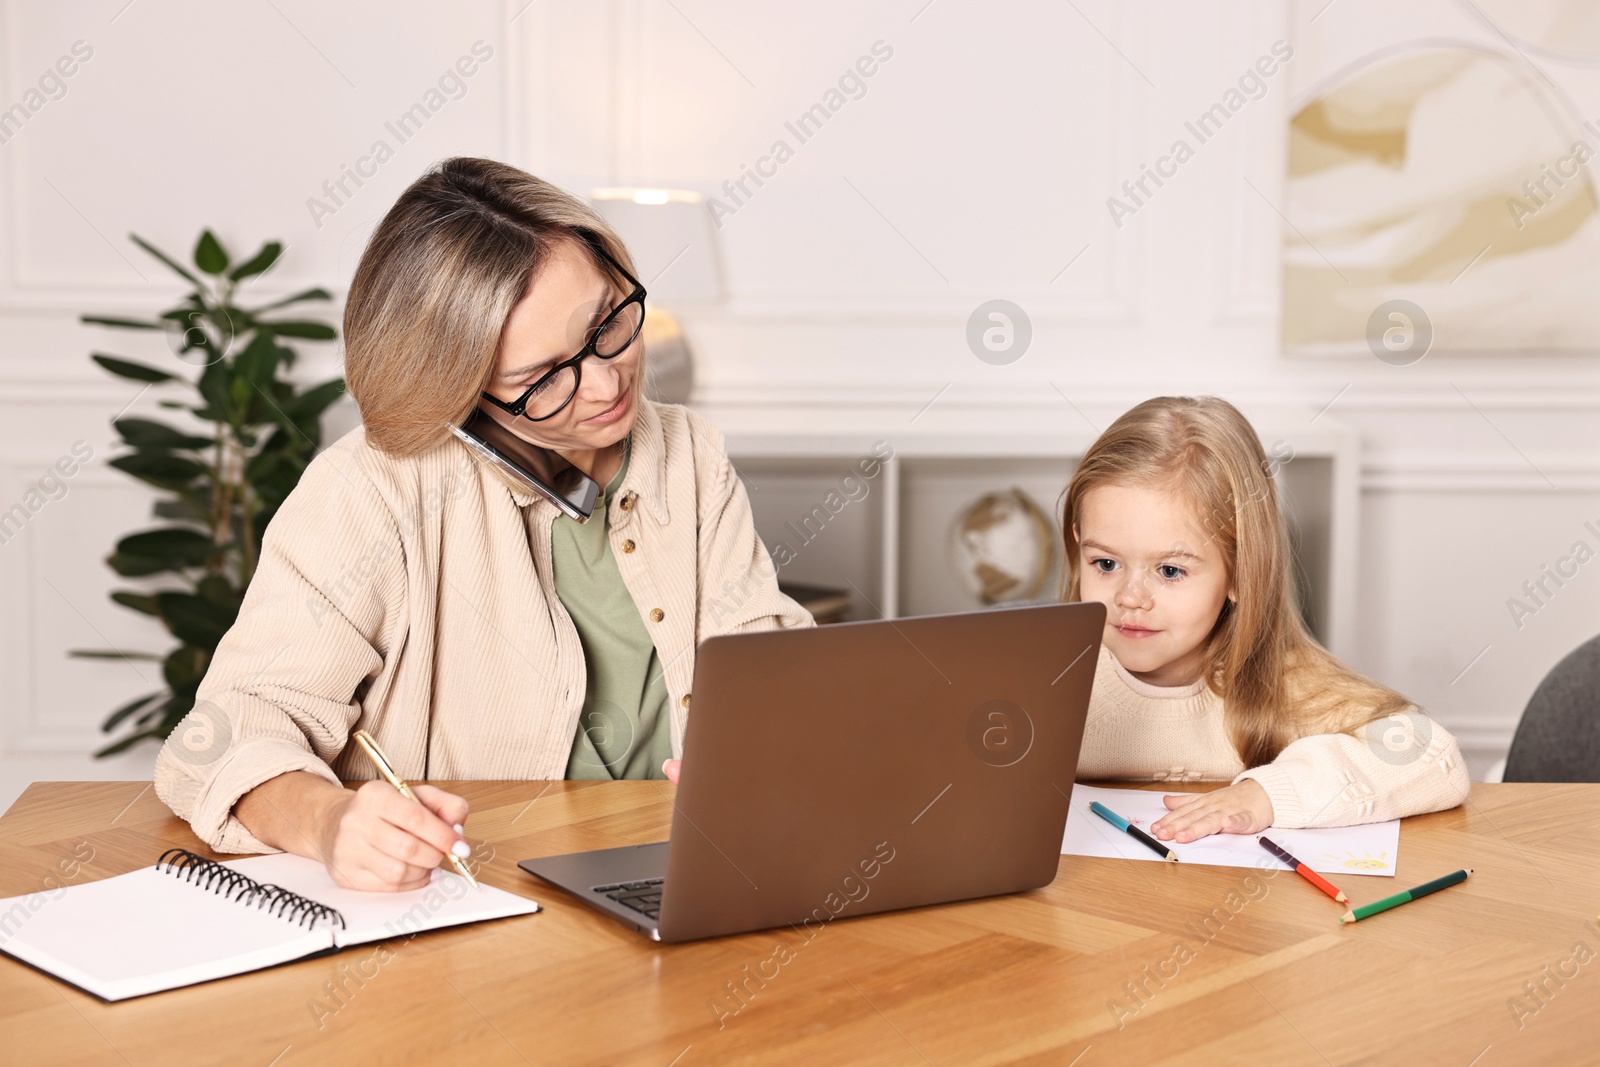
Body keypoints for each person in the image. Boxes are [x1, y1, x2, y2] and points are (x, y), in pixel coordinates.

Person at [153, 157, 809, 890]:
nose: (607, 382)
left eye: (607, 323)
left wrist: (780, 749)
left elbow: (776, 672)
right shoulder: (371, 491)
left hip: (682, 882)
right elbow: (218, 736)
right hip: (470, 905)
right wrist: (330, 822)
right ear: (460, 396)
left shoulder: (687, 453)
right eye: (542, 379)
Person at [1065, 396, 1470, 842]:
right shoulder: (1050, 678)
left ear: (1240, 573)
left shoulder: (1283, 682)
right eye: (1105, 564)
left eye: (1170, 571)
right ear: (1078, 546)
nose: (1130, 597)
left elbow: (1432, 757)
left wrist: (1267, 794)